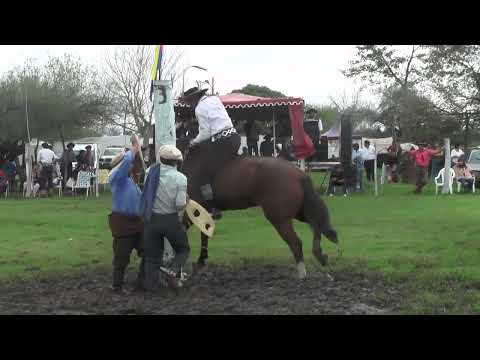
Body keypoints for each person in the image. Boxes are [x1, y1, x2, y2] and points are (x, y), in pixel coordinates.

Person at [180, 86, 241, 218]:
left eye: (189, 101)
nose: (190, 104)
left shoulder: (199, 109)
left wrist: (193, 142)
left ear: (194, 98)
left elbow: (206, 132)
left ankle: (212, 207)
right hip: (235, 138)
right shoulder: (214, 99)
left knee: (203, 173)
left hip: (223, 141)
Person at [140, 144, 189, 291]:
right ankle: (173, 271)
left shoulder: (150, 172)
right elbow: (180, 205)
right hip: (170, 220)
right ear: (176, 162)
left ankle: (151, 287)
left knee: (152, 257)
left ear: (161, 158)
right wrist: (186, 200)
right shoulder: (181, 178)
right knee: (183, 249)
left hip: (152, 220)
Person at [108, 136, 145, 293]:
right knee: (121, 257)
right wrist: (134, 150)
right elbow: (126, 165)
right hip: (123, 224)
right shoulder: (116, 178)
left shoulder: (131, 182)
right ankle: (117, 286)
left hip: (137, 223)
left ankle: (142, 281)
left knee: (148, 250)